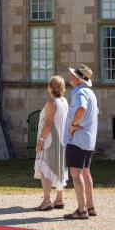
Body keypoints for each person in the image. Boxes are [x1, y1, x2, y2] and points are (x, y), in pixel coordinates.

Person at [63, 64, 99, 220]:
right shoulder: (91, 93)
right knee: (85, 172)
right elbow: (95, 112)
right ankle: (90, 207)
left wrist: (73, 126)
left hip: (78, 140)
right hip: (88, 140)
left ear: (79, 79)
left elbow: (81, 109)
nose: (70, 78)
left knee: (75, 173)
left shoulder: (79, 93)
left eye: (73, 76)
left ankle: (82, 209)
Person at [33, 75, 69, 211]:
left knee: (45, 169)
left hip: (50, 140)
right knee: (59, 168)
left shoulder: (51, 103)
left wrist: (40, 141)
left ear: (50, 87)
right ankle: (59, 199)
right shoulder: (64, 101)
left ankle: (47, 200)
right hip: (61, 140)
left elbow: (48, 124)